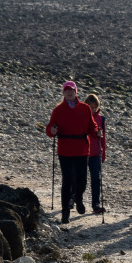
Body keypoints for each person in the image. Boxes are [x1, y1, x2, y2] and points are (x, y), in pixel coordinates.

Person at [46, 81, 99, 224]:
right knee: (67, 181)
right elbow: (50, 127)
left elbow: (91, 126)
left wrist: (96, 132)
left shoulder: (85, 108)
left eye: (72, 90)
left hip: (81, 149)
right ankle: (65, 213)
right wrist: (51, 131)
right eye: (66, 90)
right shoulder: (58, 110)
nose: (69, 92)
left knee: (82, 181)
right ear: (63, 93)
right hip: (65, 149)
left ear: (76, 92)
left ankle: (78, 198)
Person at [84, 93, 107, 214]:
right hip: (82, 152)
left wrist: (103, 153)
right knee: (79, 178)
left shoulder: (101, 119)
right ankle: (73, 198)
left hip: (96, 153)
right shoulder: (81, 116)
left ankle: (96, 204)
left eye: (95, 107)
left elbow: (103, 139)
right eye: (90, 106)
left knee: (96, 178)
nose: (92, 109)